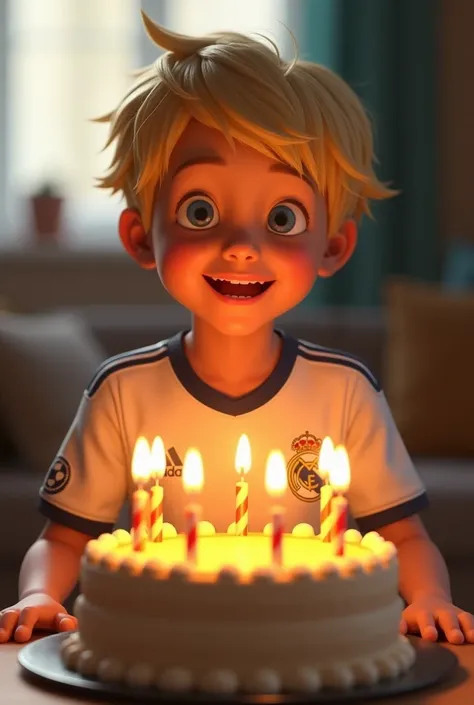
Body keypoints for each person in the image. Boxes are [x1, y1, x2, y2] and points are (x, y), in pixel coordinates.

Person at [1, 11, 473, 646]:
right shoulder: (121, 392)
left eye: (282, 216)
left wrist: (430, 599)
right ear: (143, 236)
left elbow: (405, 536)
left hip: (311, 648)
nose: (242, 246)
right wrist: (37, 594)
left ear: (333, 246)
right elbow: (61, 539)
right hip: (156, 648)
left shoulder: (345, 392)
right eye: (202, 210)